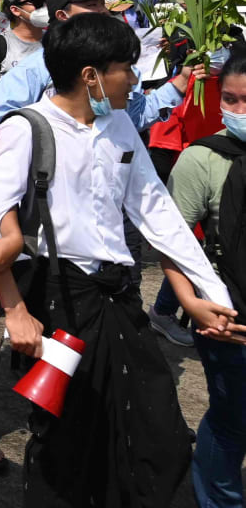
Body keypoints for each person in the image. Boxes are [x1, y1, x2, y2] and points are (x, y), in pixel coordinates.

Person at [0, 13, 238, 507]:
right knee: (65, 439)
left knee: (156, 431)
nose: (134, 80)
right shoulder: (28, 129)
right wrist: (15, 311)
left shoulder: (119, 129)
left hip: (118, 298)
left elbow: (158, 215)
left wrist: (211, 295)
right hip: (58, 302)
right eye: (125, 68)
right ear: (90, 75)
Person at [167, 53, 246, 506]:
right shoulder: (202, 159)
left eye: (245, 101)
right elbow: (172, 241)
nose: (236, 111)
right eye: (229, 100)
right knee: (233, 419)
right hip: (227, 313)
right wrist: (191, 303)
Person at [0, 0, 194, 133]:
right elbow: (2, 129)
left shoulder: (119, 68)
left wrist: (182, 81)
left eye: (103, 4)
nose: (103, 11)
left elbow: (135, 115)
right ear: (62, 16)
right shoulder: (33, 70)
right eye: (92, 5)